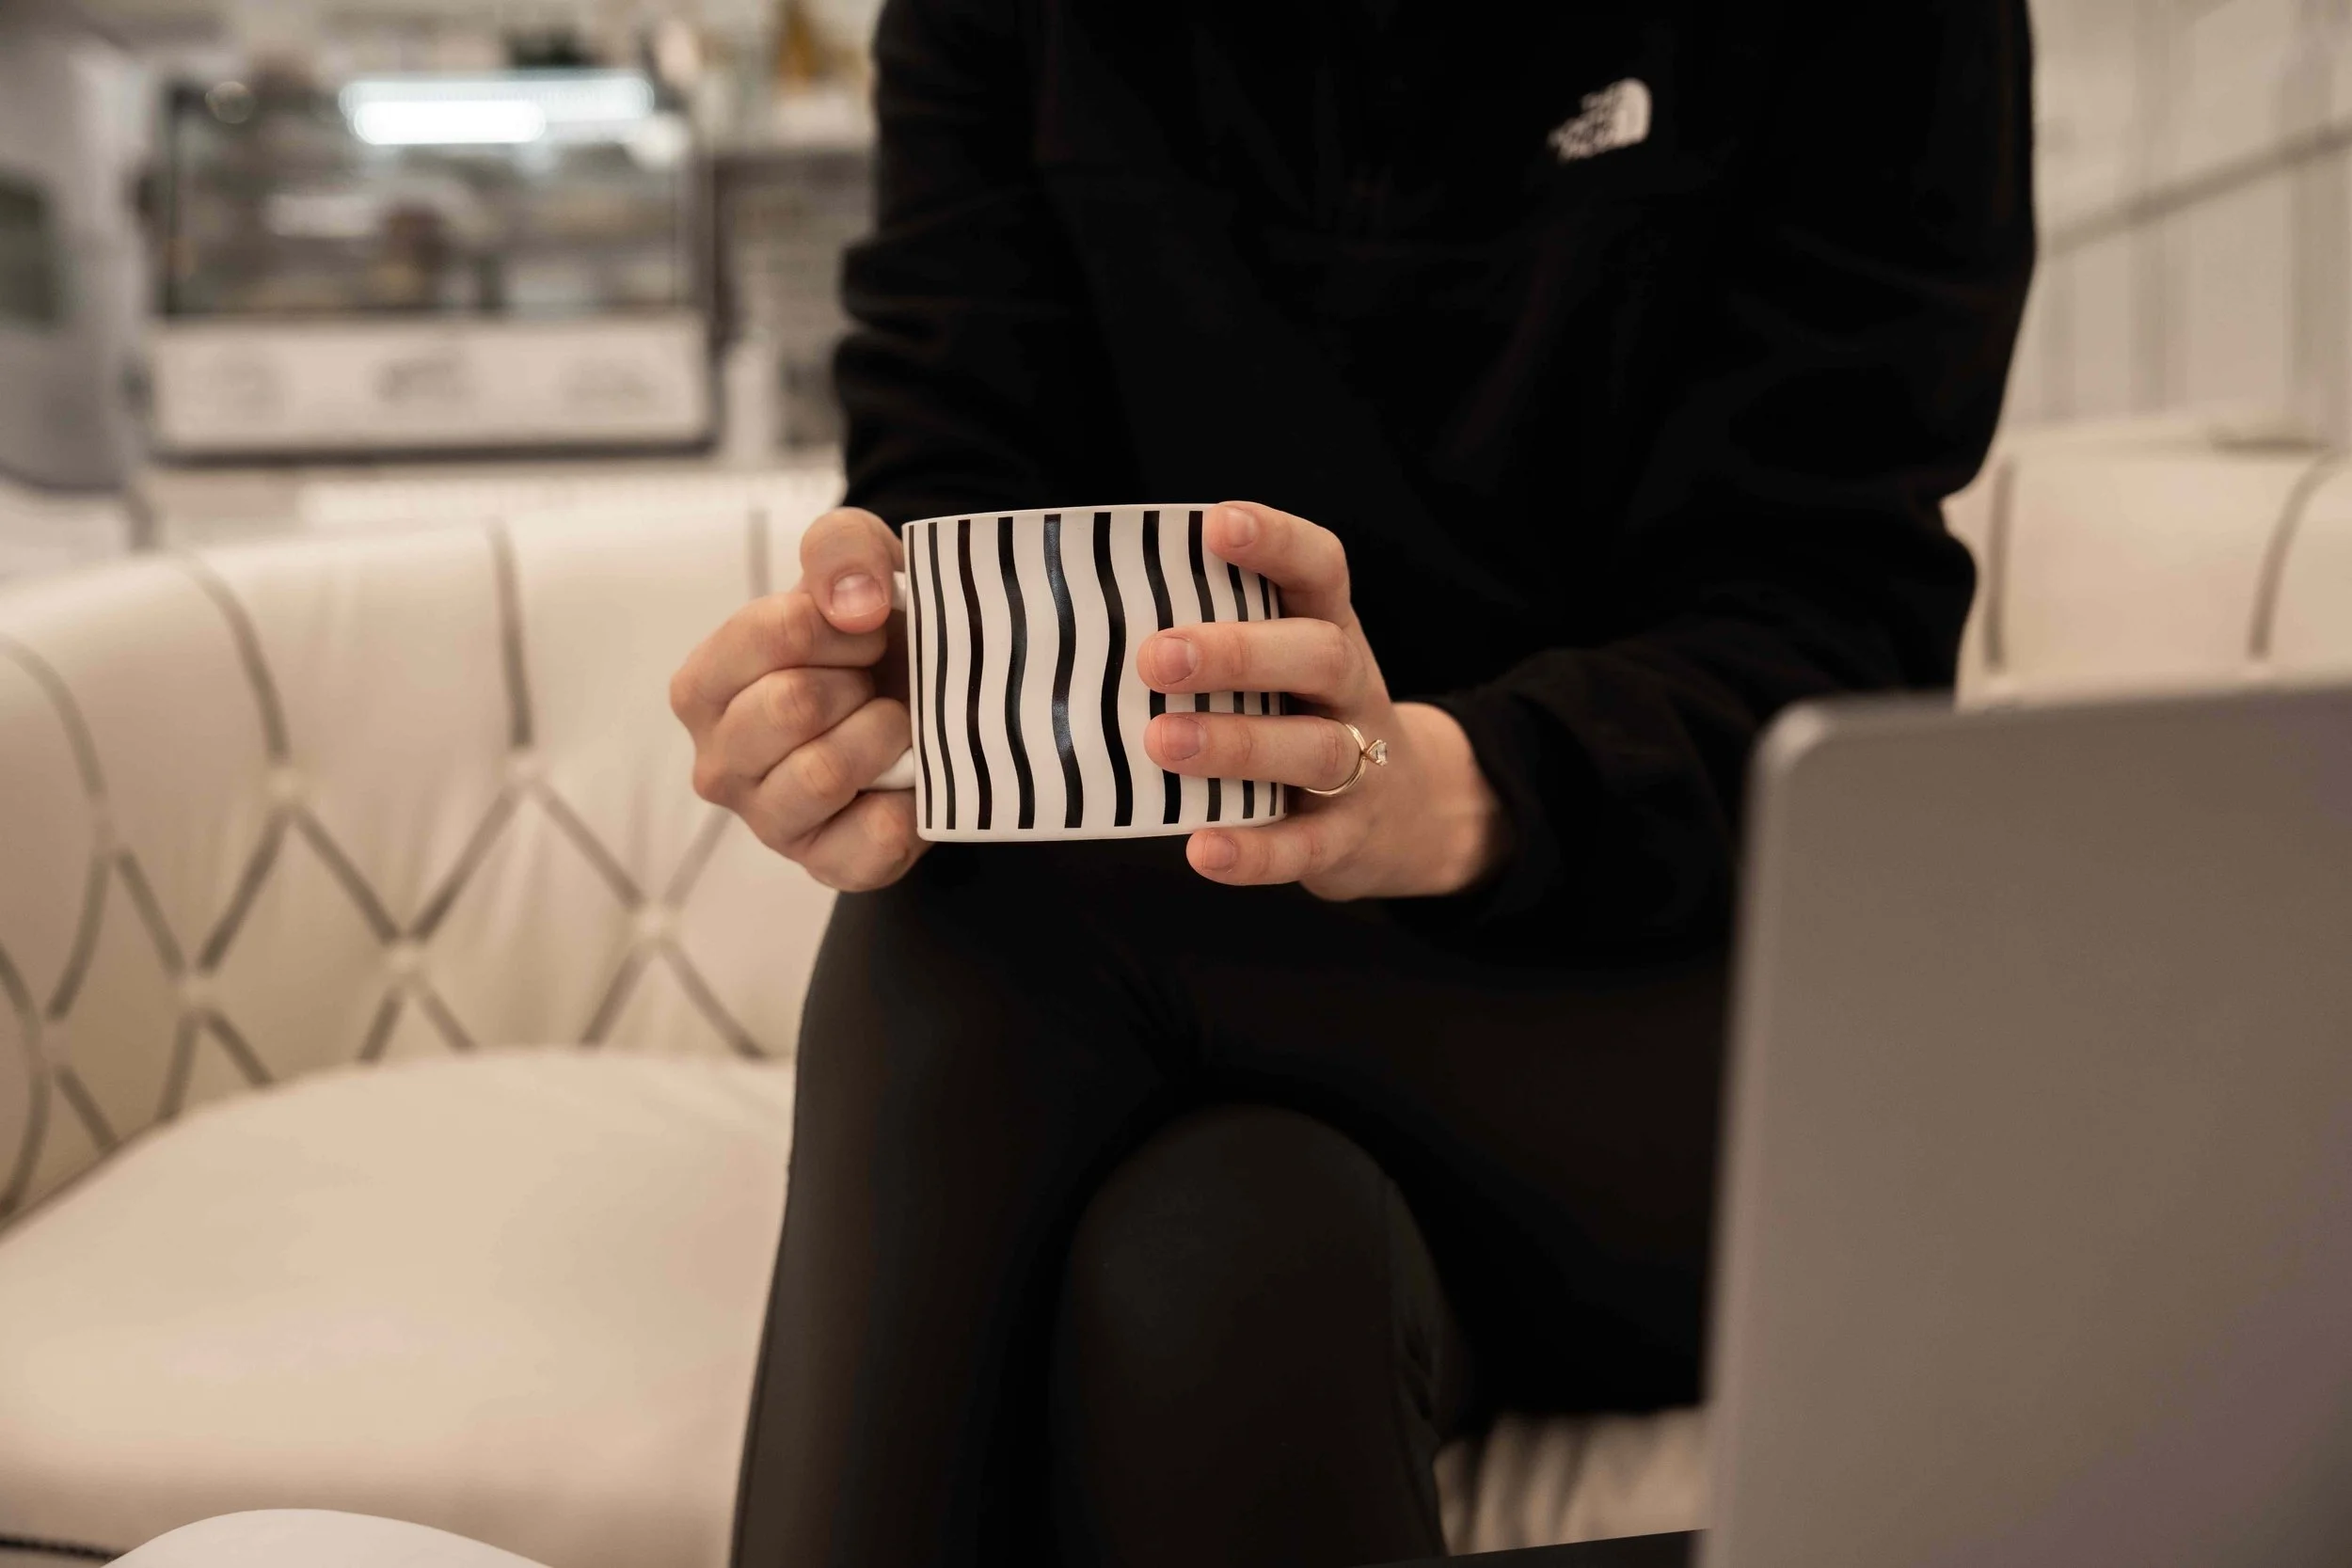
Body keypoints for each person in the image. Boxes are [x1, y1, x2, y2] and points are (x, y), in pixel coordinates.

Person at [669, 2, 2033, 1563]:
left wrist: (1448, 785)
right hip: (1221, 985)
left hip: (1697, 1022)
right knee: (1223, 1258)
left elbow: (1831, 619)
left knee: (979, 923)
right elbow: (961, 468)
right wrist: (888, 660)